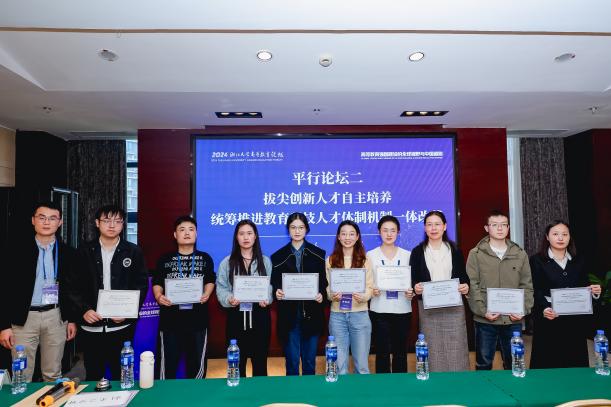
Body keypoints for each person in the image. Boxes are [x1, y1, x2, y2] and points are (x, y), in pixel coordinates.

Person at [68, 205, 148, 381]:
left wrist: (128, 312)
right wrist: (84, 310)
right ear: (97, 223)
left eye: (118, 221)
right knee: (93, 374)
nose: (112, 225)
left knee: (122, 375)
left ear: (123, 224)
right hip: (91, 326)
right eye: (107, 221)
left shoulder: (133, 251)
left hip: (121, 326)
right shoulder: (83, 251)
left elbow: (141, 285)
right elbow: (73, 286)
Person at [0, 201, 77, 382]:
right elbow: (4, 288)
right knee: (21, 375)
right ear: (33, 220)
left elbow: (72, 289)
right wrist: (3, 326)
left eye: (52, 218)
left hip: (56, 316)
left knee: (53, 373)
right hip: (24, 318)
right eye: (42, 218)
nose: (47, 222)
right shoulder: (14, 250)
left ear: (60, 222)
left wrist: (71, 319)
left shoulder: (68, 253)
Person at [466, 209, 534, 370]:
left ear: (508, 228)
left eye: (504, 225)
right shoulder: (476, 254)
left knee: (514, 363)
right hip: (485, 319)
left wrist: (523, 310)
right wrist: (483, 311)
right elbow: (473, 285)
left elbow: (527, 285)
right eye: (494, 225)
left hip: (513, 319)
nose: (500, 228)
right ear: (486, 228)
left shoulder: (519, 253)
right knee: (483, 363)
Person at [529, 220, 602, 368]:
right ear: (547, 237)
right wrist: (544, 308)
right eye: (555, 234)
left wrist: (594, 292)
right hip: (549, 318)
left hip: (574, 320)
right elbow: (535, 289)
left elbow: (584, 287)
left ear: (570, 237)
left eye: (565, 234)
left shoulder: (579, 260)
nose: (560, 238)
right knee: (548, 363)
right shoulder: (537, 260)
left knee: (574, 363)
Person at [153, 215, 216, 379]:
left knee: (196, 368)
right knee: (167, 367)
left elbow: (210, 280)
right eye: (182, 230)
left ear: (196, 234)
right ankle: (166, 394)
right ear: (175, 235)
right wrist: (158, 296)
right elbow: (158, 282)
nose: (187, 233)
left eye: (191, 229)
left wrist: (207, 293)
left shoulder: (205, 258)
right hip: (170, 321)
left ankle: (195, 394)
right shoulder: (164, 259)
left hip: (198, 320)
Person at [410, 210, 470, 372]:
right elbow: (413, 278)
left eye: (437, 224)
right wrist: (416, 287)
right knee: (432, 348)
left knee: (456, 347)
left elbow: (463, 277)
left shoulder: (455, 250)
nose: (433, 228)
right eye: (429, 224)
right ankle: (434, 382)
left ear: (445, 226)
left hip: (453, 306)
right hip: (428, 308)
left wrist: (466, 286)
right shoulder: (417, 252)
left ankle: (458, 379)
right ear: (425, 228)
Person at [271, 213, 327, 376]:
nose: (297, 231)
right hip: (289, 317)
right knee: (292, 362)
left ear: (306, 229)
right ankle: (292, 392)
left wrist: (321, 294)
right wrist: (277, 292)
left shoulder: (318, 254)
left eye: (301, 227)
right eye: (293, 227)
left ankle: (309, 392)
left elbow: (324, 283)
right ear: (288, 230)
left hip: (312, 315)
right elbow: (274, 283)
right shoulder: (278, 256)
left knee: (309, 362)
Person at [216, 219, 273, 377]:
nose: (246, 237)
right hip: (236, 319)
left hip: (260, 319)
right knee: (236, 366)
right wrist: (229, 298)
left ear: (255, 236)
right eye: (241, 234)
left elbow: (270, 286)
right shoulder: (226, 262)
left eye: (249, 233)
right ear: (236, 237)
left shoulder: (265, 261)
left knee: (260, 366)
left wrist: (267, 298)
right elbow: (221, 288)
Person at [326, 220, 373, 375]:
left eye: (351, 234)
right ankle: (341, 391)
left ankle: (361, 391)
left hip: (360, 314)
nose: (347, 237)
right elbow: (327, 288)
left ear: (357, 236)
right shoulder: (330, 260)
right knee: (339, 366)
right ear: (338, 237)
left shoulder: (365, 260)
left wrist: (363, 296)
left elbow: (370, 287)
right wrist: (332, 295)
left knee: (362, 365)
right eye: (344, 234)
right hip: (337, 316)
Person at [368, 215, 414, 373]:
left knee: (400, 352)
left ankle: (400, 385)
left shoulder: (408, 255)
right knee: (381, 352)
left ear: (398, 232)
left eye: (393, 230)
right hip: (379, 309)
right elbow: (366, 282)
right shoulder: (370, 255)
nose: (389, 234)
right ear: (379, 232)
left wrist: (411, 292)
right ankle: (382, 385)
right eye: (385, 230)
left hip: (403, 309)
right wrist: (372, 290)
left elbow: (413, 282)